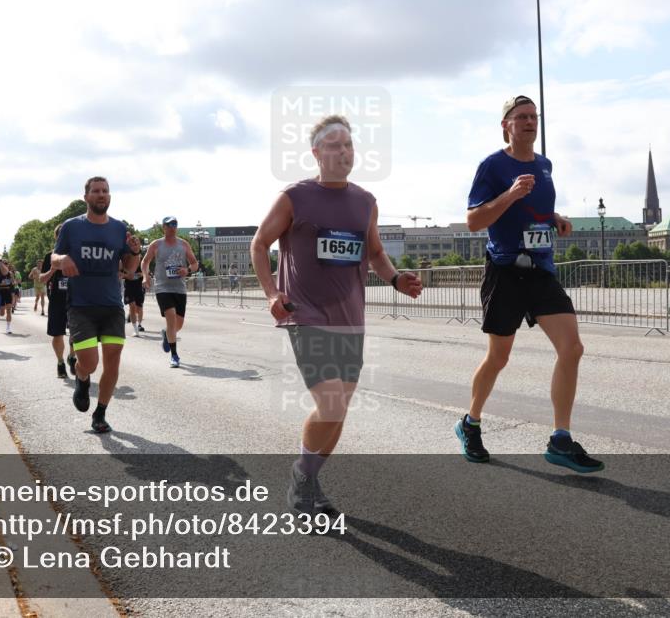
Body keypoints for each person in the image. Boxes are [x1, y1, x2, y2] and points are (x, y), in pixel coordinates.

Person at [251, 114, 423, 516]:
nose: (342, 151)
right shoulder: (295, 197)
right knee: (330, 404)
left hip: (350, 318)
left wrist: (396, 279)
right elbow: (260, 244)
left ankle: (307, 479)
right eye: (333, 145)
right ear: (316, 152)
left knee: (339, 409)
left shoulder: (365, 202)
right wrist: (272, 293)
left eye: (347, 144)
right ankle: (303, 477)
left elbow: (376, 254)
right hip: (304, 314)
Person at [456, 95, 602, 473]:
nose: (529, 122)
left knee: (572, 347)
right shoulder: (492, 166)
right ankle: (469, 423)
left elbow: (533, 209)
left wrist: (555, 218)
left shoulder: (544, 165)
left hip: (540, 269)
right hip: (505, 271)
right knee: (499, 357)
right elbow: (473, 221)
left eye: (534, 116)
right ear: (505, 125)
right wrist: (509, 194)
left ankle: (560, 439)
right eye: (521, 117)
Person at [53, 177, 142, 433]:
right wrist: (63, 260)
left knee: (112, 361)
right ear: (87, 197)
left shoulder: (118, 228)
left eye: (105, 191)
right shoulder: (72, 227)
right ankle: (82, 377)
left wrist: (135, 252)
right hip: (81, 305)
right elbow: (54, 256)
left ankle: (100, 413)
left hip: (112, 304)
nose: (101, 195)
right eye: (96, 191)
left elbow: (129, 268)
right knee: (90, 363)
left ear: (110, 197)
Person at [141, 217, 199, 368]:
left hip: (179, 288)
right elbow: (145, 261)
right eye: (169, 225)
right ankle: (174, 355)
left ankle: (167, 334)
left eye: (175, 224)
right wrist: (146, 276)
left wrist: (187, 270)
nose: (172, 227)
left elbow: (194, 263)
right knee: (171, 317)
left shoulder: (183, 244)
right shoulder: (156, 244)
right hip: (162, 288)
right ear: (163, 227)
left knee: (178, 324)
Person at [41, 224, 76, 379]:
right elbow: (42, 279)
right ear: (56, 238)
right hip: (56, 300)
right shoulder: (50, 256)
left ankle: (72, 357)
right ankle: (61, 362)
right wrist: (53, 269)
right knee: (58, 334)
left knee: (77, 333)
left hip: (76, 299)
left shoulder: (77, 254)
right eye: (61, 235)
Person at [121, 229, 146, 337]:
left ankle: (139, 324)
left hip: (139, 284)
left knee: (139, 307)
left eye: (137, 243)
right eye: (133, 243)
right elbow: (122, 272)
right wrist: (127, 275)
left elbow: (145, 271)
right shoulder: (125, 256)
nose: (135, 244)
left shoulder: (142, 257)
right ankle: (135, 329)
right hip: (129, 284)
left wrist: (144, 276)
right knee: (132, 305)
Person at [0, 262, 15, 334]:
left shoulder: (10, 274)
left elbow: (13, 283)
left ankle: (8, 328)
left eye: (6, 264)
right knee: (2, 313)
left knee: (9, 311)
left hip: (8, 293)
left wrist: (12, 280)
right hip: (0, 294)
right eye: (4, 264)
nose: (5, 265)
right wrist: (0, 283)